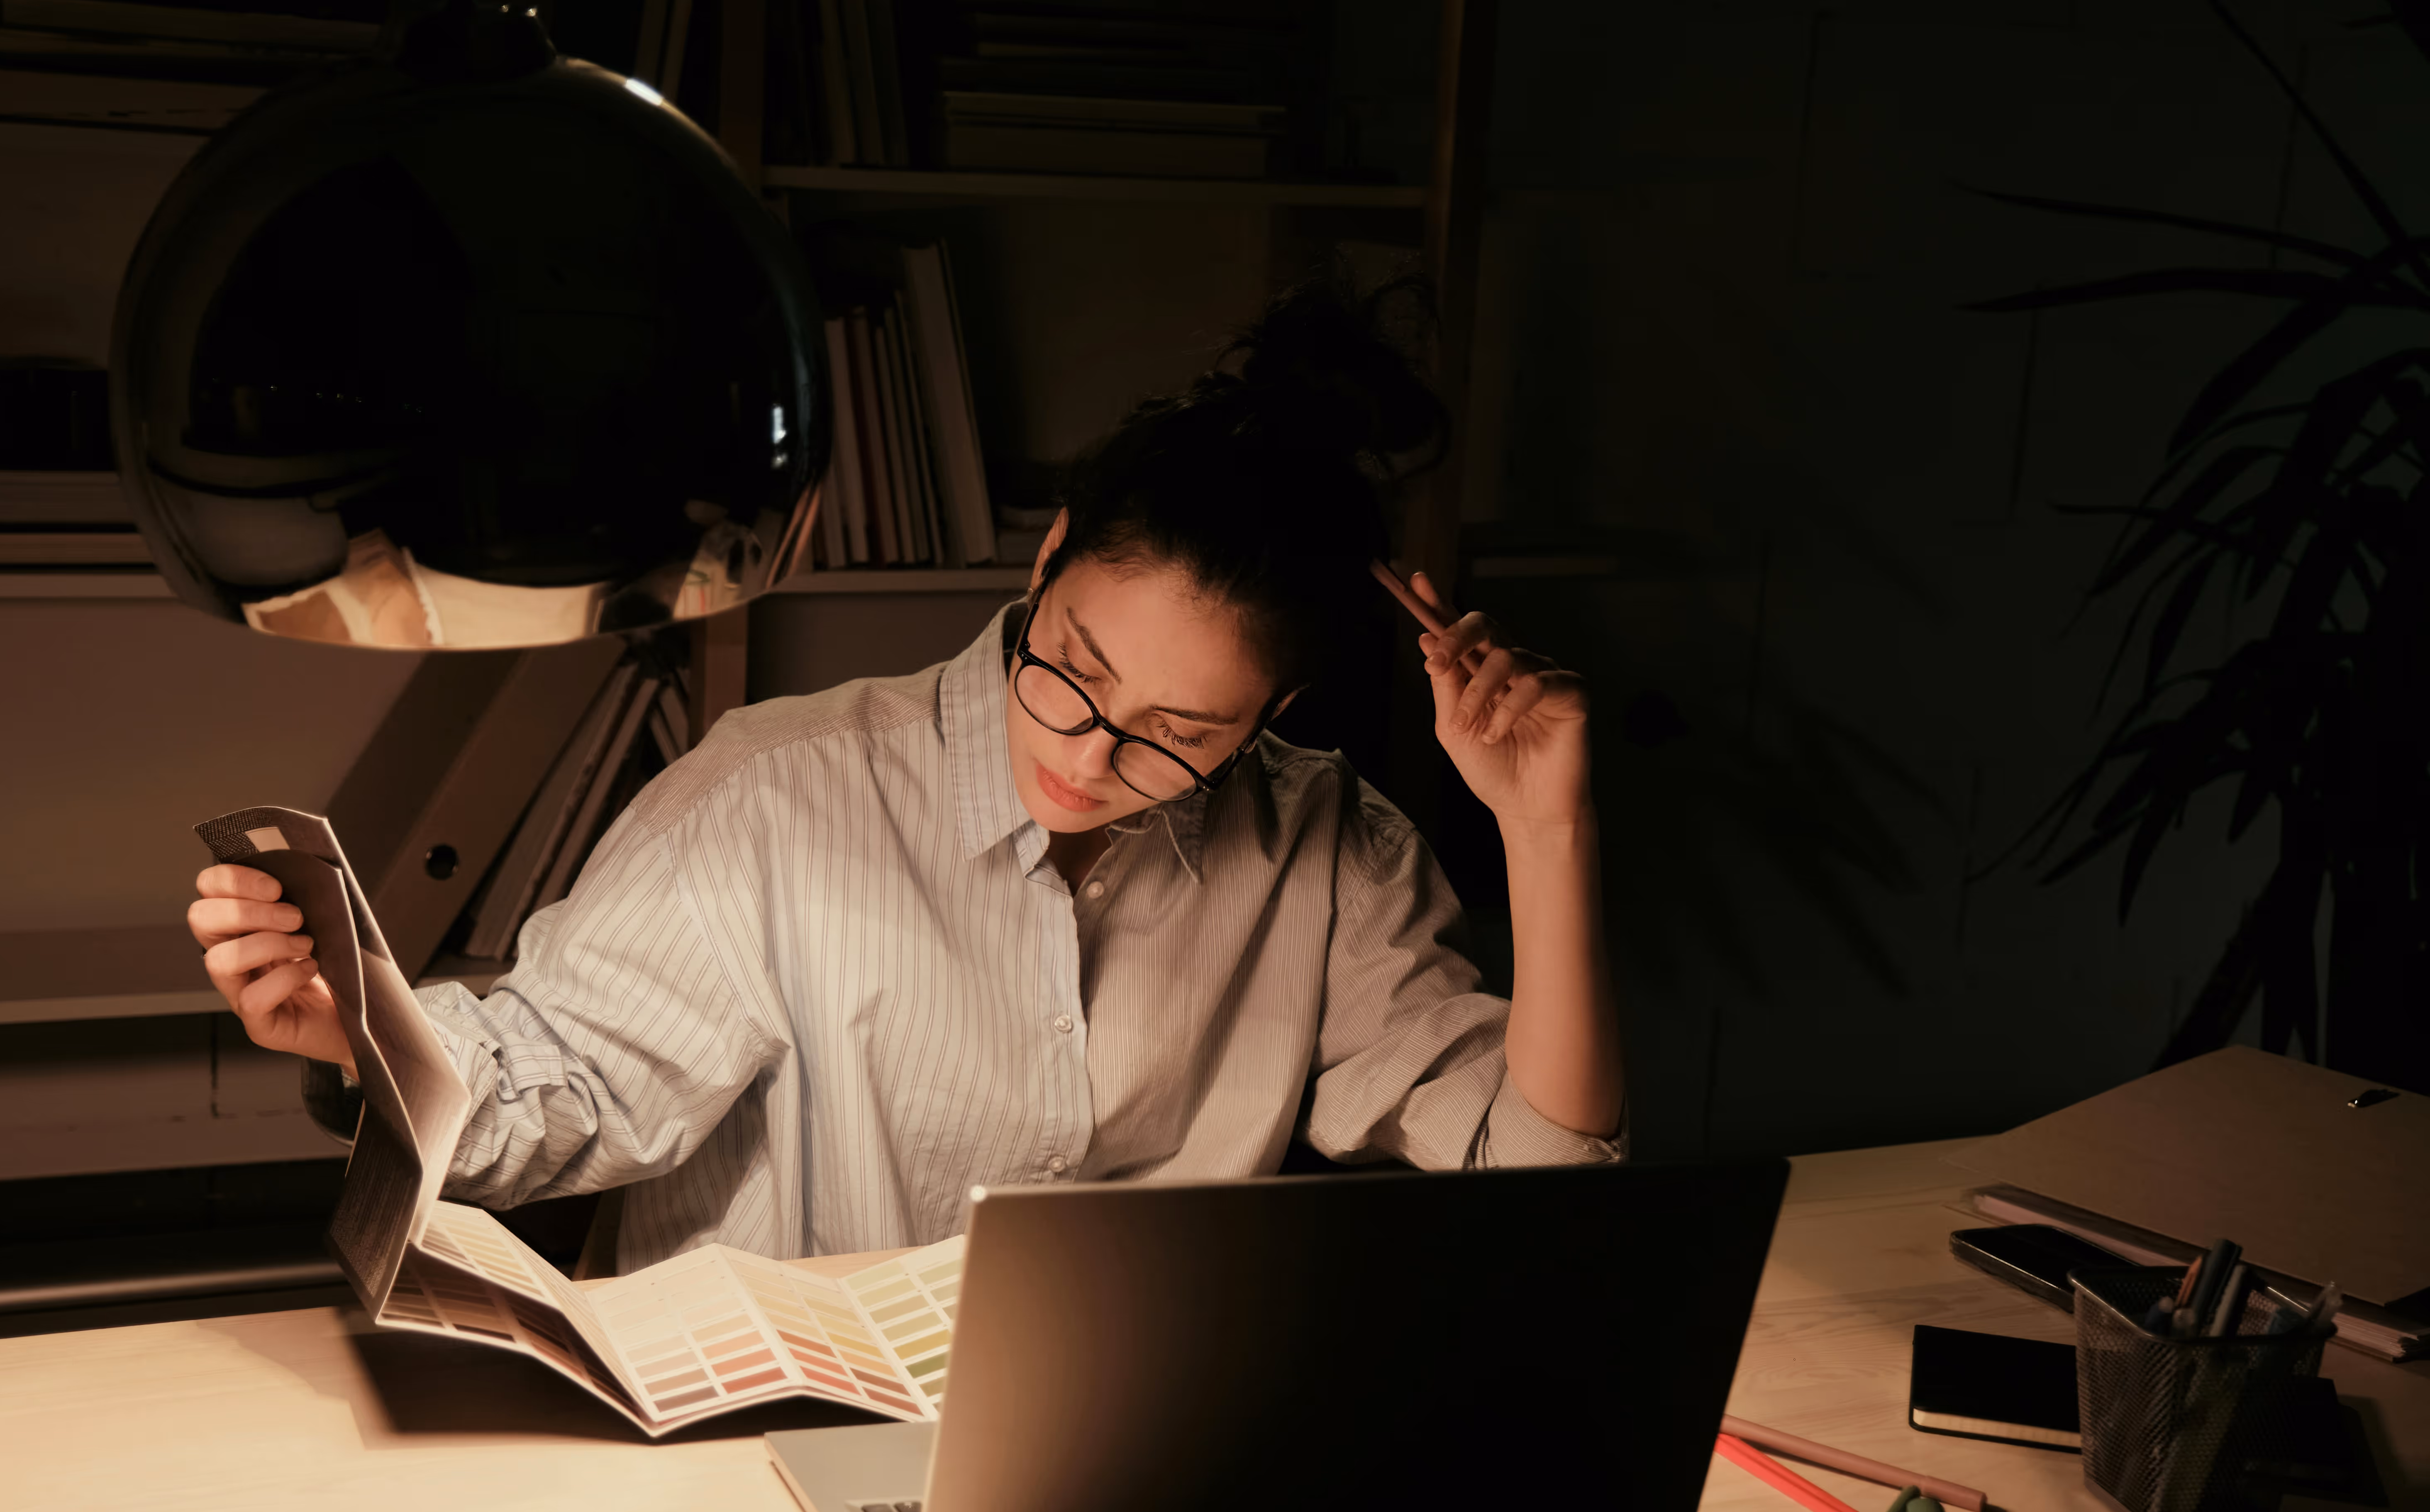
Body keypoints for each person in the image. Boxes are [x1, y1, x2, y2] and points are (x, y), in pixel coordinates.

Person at [188, 280, 1624, 1271]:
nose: (1085, 754)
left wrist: (1545, 829)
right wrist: (349, 1028)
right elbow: (563, 1088)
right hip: (766, 1454)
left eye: (1181, 737)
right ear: (1047, 556)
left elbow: (1549, 1194)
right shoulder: (778, 796)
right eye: (1072, 669)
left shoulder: (1327, 850)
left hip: (1116, 1451)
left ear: (1281, 712)